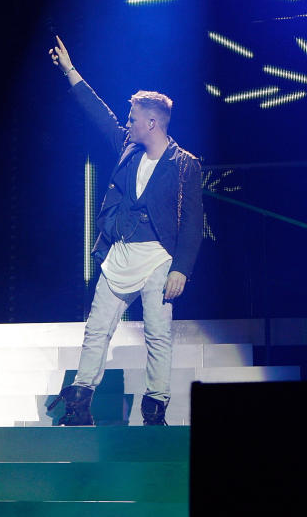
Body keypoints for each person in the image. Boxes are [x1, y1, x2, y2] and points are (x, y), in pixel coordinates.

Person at [47, 36, 203, 425]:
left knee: (157, 333)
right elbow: (98, 114)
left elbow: (193, 223)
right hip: (120, 252)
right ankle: (80, 402)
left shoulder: (185, 165)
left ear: (152, 122)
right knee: (97, 328)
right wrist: (70, 70)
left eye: (133, 118)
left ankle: (155, 407)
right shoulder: (127, 149)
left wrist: (181, 268)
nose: (127, 123)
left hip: (159, 260)